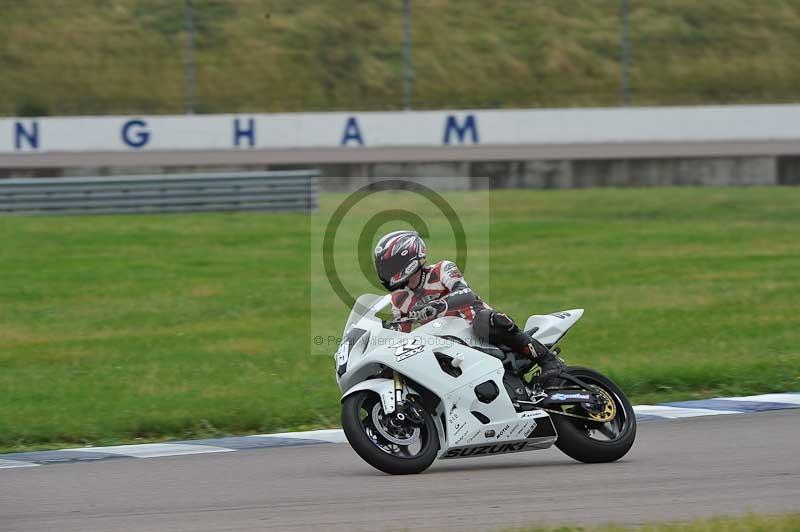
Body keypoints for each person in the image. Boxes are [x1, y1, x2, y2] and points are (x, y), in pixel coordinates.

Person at [373, 230, 564, 379]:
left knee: (484, 320)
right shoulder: (398, 299)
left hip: (478, 329)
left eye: (390, 266)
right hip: (446, 343)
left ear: (407, 259)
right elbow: (401, 336)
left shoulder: (441, 269)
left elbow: (465, 293)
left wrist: (438, 306)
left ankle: (548, 360)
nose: (386, 271)